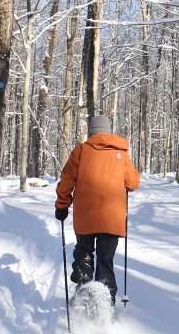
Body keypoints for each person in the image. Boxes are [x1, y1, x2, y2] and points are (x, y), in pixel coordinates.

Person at [55, 114, 140, 305]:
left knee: (84, 253)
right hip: (112, 217)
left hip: (85, 216)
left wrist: (62, 205)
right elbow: (133, 183)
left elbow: (66, 181)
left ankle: (83, 292)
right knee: (105, 261)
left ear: (91, 132)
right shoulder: (121, 152)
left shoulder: (81, 151)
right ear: (108, 131)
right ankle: (105, 302)